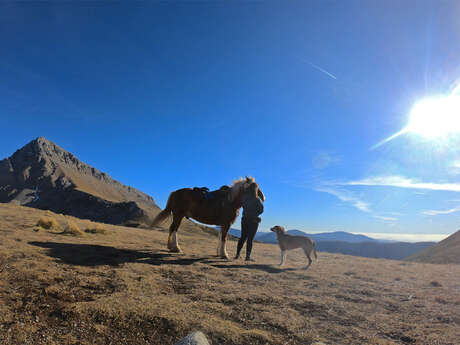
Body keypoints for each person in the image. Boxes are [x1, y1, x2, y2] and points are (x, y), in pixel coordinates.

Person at [234, 182, 264, 261]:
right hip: (254, 220)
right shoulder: (257, 199)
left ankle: (237, 255)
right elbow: (261, 210)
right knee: (250, 239)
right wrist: (255, 213)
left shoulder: (244, 198)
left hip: (244, 219)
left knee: (243, 237)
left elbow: (243, 206)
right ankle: (247, 257)